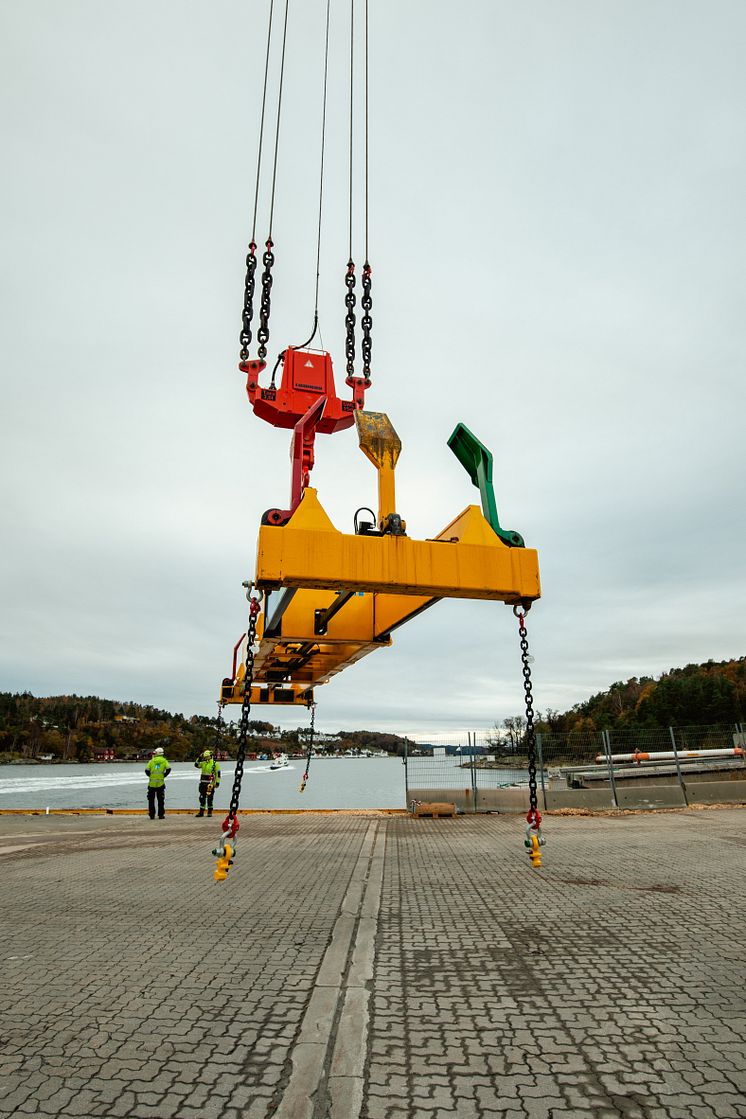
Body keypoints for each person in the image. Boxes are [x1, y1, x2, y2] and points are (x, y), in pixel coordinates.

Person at [145, 747, 171, 819]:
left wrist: (151, 776)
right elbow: (168, 769)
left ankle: (152, 815)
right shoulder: (164, 761)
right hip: (160, 784)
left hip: (151, 784)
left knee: (151, 800)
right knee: (161, 800)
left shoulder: (151, 761)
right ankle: (161, 815)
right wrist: (164, 775)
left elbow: (146, 770)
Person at [194, 749, 221, 817]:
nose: (205, 758)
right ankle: (201, 812)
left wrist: (217, 783)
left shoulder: (215, 764)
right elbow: (196, 765)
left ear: (210, 756)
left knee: (210, 798)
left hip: (210, 784)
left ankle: (209, 812)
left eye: (207, 757)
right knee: (202, 798)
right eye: (205, 757)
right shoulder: (203, 763)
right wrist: (199, 757)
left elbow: (218, 774)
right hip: (203, 783)